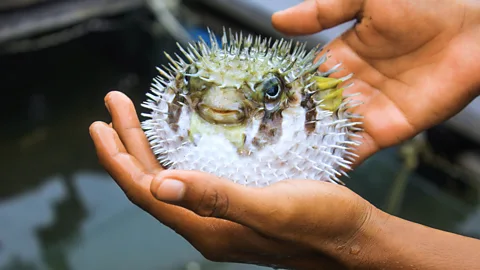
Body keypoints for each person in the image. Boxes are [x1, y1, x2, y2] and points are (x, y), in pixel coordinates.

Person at [89, 0, 480, 269]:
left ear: (308, 104)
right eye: (193, 87)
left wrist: (360, 240)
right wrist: (469, 24)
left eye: (271, 93)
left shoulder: (319, 111)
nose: (221, 104)